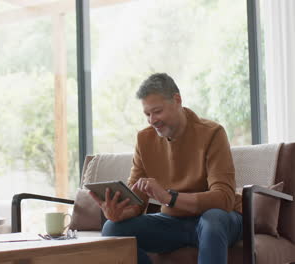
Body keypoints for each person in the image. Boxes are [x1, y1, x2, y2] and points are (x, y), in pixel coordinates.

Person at [89, 73, 242, 264]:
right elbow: (137, 199)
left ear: (177, 100)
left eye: (157, 111)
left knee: (212, 220)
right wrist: (119, 213)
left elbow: (224, 198)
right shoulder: (144, 140)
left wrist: (170, 198)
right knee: (112, 229)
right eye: (147, 114)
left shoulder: (212, 133)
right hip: (172, 223)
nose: (152, 120)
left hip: (219, 221)